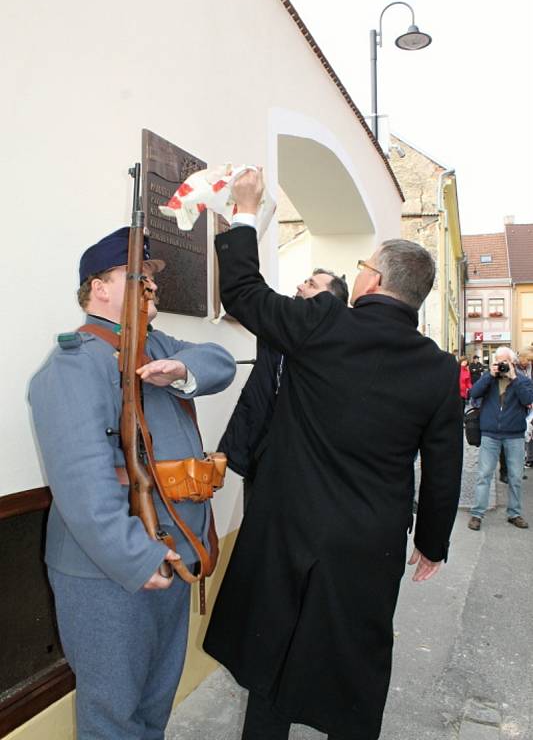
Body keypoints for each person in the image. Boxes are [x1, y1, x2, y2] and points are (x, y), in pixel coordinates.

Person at [203, 169, 463, 740]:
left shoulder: (322, 324)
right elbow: (444, 465)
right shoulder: (439, 369)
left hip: (290, 526)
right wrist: (432, 542)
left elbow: (243, 292)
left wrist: (246, 212)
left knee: (274, 652)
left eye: (364, 266)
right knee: (352, 666)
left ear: (371, 281)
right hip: (369, 543)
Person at [29, 227, 236, 740]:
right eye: (136, 276)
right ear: (98, 288)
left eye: (152, 278)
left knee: (153, 703)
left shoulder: (158, 345)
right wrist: (136, 558)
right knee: (113, 715)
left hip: (174, 555)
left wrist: (181, 370)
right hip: (110, 571)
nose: (151, 286)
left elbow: (221, 361)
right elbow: (83, 487)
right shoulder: (74, 364)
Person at [218, 267, 349, 481]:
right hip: (259, 453)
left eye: (311, 285)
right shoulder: (280, 326)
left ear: (331, 302)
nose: (300, 286)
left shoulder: (337, 351)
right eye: (305, 281)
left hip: (302, 463)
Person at [468, 346, 533, 532]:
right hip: (490, 434)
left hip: (514, 435)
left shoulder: (522, 380)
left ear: (512, 362)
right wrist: (489, 374)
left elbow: (528, 398)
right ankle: (477, 514)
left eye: (505, 361)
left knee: (515, 476)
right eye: (498, 361)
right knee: (484, 475)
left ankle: (514, 513)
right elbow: (473, 393)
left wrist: (514, 378)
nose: (502, 365)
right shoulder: (488, 378)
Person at [516, 349, 533, 469]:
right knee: (522, 431)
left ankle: (530, 458)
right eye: (528, 360)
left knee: (530, 430)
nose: (529, 362)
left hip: (530, 402)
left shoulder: (530, 367)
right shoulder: (514, 368)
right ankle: (520, 459)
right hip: (521, 404)